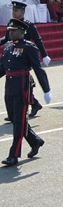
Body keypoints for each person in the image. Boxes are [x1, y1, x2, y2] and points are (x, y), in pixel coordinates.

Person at [0, 18, 51, 167]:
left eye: (14, 30)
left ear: (22, 32)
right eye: (9, 30)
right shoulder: (7, 46)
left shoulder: (29, 47)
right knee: (17, 118)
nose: (11, 33)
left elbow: (38, 69)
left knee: (18, 122)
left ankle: (14, 155)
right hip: (10, 86)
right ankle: (35, 141)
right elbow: (2, 68)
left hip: (22, 87)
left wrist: (46, 90)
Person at [1, 1, 51, 119]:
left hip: (23, 57)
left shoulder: (29, 26)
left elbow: (38, 40)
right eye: (13, 10)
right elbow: (7, 39)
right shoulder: (11, 24)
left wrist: (45, 55)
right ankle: (32, 106)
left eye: (16, 10)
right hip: (10, 55)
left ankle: (26, 110)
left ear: (23, 12)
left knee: (22, 88)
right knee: (15, 88)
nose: (14, 12)